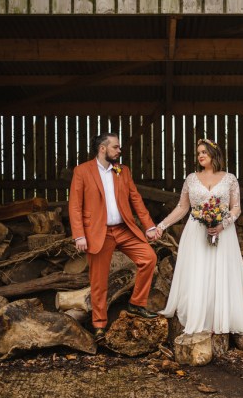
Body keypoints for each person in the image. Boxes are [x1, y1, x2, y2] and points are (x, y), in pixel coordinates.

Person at [155, 138, 243, 336]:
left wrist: (222, 224)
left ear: (215, 154)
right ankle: (200, 315)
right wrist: (161, 226)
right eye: (198, 153)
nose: (201, 156)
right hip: (196, 231)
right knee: (198, 271)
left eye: (204, 152)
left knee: (220, 271)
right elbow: (182, 208)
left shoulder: (230, 178)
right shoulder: (191, 178)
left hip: (223, 232)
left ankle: (220, 316)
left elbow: (236, 208)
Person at [69, 133, 158, 343]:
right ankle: (99, 326)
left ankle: (136, 304)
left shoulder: (123, 170)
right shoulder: (82, 171)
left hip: (124, 229)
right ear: (102, 149)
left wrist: (149, 226)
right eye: (116, 147)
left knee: (149, 258)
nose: (119, 151)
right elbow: (74, 205)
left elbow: (136, 199)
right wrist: (79, 235)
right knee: (99, 282)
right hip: (97, 232)